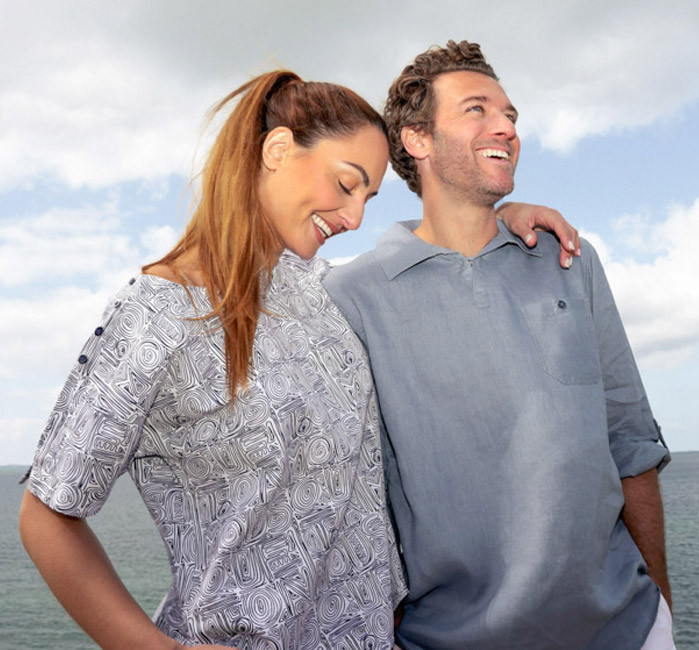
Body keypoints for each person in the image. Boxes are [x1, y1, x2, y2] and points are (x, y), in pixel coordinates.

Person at [18, 69, 577, 650]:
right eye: (345, 183)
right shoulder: (155, 316)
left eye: (368, 196)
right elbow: (47, 515)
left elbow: (421, 270)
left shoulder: (318, 290)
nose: (355, 216)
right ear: (278, 150)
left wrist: (499, 220)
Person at [324, 41, 674, 650]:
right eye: (477, 110)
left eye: (511, 115)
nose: (506, 127)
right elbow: (360, 496)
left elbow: (631, 442)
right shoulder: (351, 297)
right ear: (418, 140)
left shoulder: (568, 257)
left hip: (631, 630)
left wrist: (663, 608)